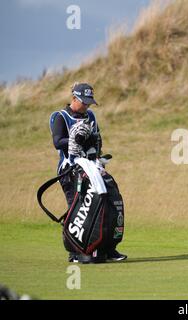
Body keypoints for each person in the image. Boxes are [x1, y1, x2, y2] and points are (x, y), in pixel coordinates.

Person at [50, 82, 127, 262]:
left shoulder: (91, 116)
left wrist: (95, 148)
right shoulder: (60, 116)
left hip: (92, 169)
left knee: (106, 208)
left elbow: (97, 139)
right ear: (74, 98)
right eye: (84, 102)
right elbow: (58, 141)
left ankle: (108, 249)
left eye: (89, 102)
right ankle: (75, 252)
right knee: (76, 210)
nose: (86, 106)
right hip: (70, 170)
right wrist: (76, 138)